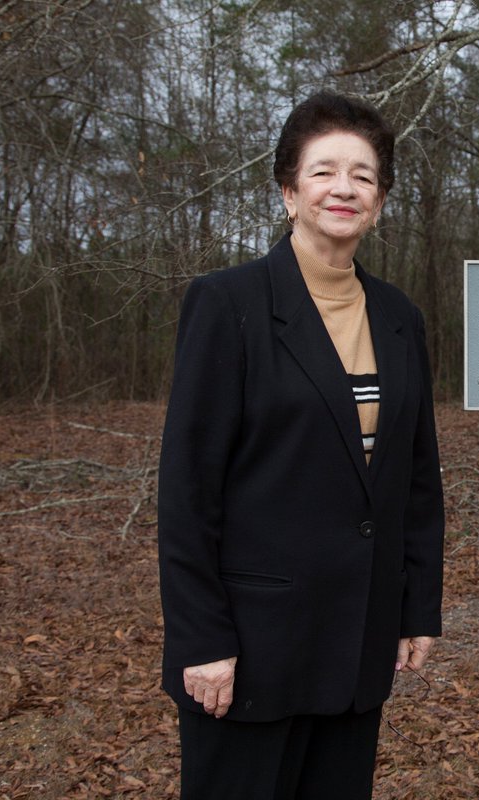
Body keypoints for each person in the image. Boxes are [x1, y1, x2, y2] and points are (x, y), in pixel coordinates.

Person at [157, 91, 445, 799]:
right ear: (288, 191)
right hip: (252, 649)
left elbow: (416, 480)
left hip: (357, 642)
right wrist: (202, 641)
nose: (343, 188)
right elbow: (189, 489)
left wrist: (416, 608)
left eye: (363, 175)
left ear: (379, 201)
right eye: (323, 171)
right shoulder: (229, 305)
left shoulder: (400, 318)